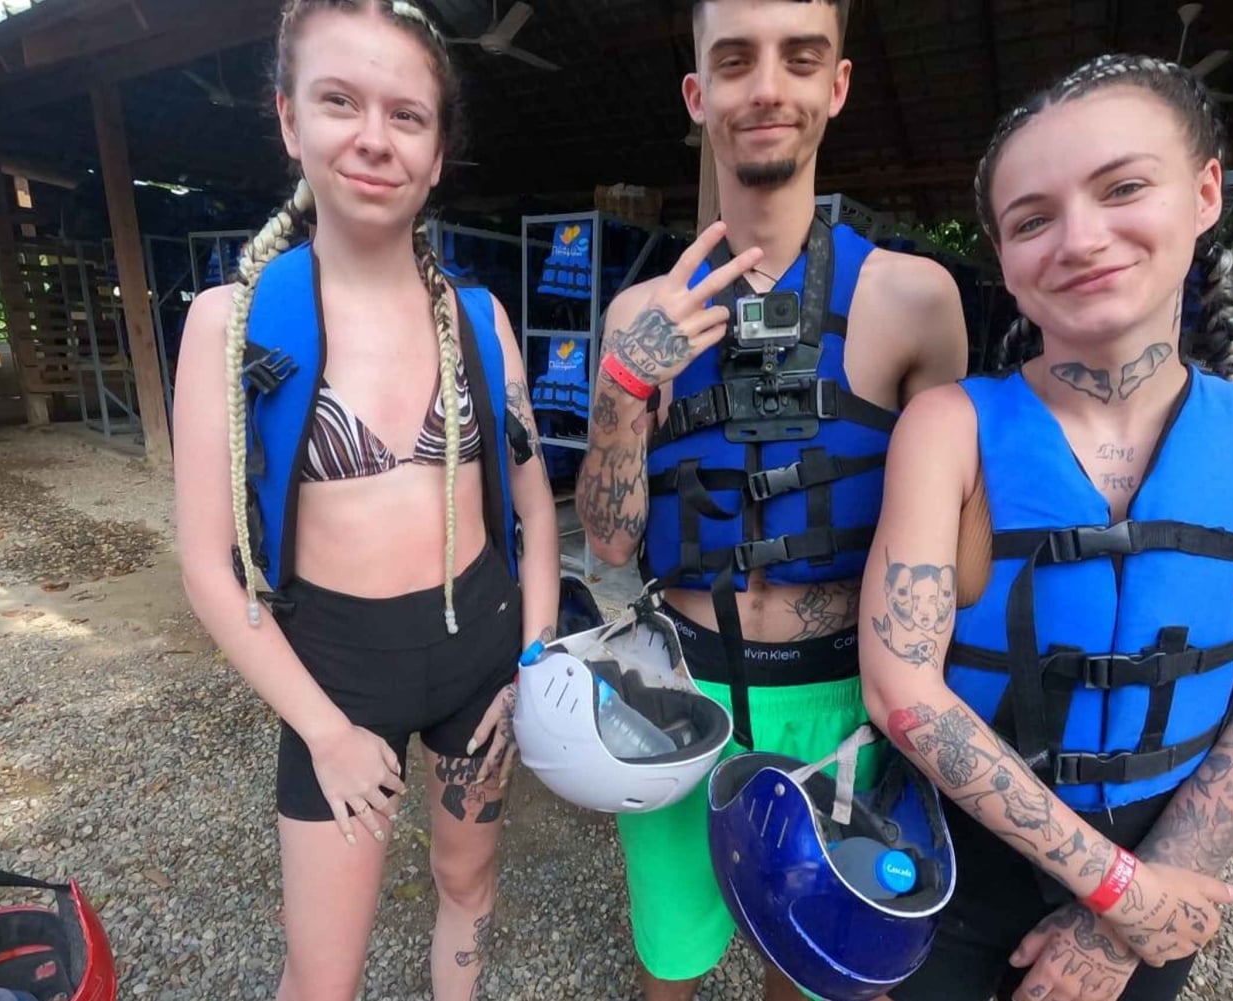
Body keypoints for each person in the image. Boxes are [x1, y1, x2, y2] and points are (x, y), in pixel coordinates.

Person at [859, 54, 1233, 1001]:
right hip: (961, 857)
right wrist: (1122, 891)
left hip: (1171, 847)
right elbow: (903, 685)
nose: (1080, 239)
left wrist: (1130, 921)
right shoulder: (950, 428)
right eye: (1033, 218)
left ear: (1206, 194)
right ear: (1003, 253)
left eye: (1122, 187)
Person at [576, 1, 967, 997]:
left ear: (835, 85)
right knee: (671, 955)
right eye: (735, 60)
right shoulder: (635, 309)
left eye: (801, 59)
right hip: (682, 690)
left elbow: (954, 558)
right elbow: (610, 541)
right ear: (698, 93)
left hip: (843, 700)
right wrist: (626, 384)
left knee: (809, 958)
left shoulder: (917, 301)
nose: (768, 88)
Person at [171, 3, 558, 999]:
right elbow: (208, 566)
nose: (374, 138)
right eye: (340, 102)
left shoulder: (482, 320)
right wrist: (327, 731)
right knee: (323, 964)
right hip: (333, 672)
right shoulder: (231, 322)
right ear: (291, 120)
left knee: (467, 886)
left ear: (437, 155)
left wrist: (535, 663)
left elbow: (535, 509)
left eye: (408, 116)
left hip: (482, 654)